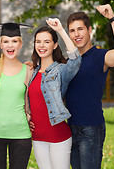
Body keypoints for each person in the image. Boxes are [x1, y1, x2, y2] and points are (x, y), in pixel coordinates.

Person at [65, 4, 114, 169]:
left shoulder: (100, 56)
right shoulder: (68, 62)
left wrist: (112, 19)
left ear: (89, 30)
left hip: (90, 129)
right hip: (69, 128)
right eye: (72, 31)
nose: (76, 34)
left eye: (80, 29)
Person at [27, 18, 81, 169]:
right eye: (38, 41)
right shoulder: (32, 72)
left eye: (46, 42)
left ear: (55, 45)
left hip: (58, 136)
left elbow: (75, 60)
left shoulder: (60, 71)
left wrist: (60, 30)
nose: (41, 45)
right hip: (37, 136)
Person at [0, 22, 33, 169]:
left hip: (21, 135)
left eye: (14, 41)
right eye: (6, 41)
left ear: (20, 44)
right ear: (1, 44)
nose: (10, 46)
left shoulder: (28, 71)